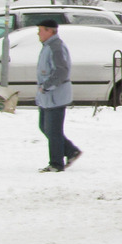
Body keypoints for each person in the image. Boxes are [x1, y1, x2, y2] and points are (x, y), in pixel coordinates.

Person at [36, 20, 81, 172]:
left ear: (50, 31)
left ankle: (56, 163)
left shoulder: (56, 47)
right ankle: (70, 151)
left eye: (41, 30)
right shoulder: (48, 46)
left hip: (55, 95)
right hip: (48, 96)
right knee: (45, 127)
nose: (38, 33)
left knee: (53, 131)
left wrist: (47, 86)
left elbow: (61, 71)